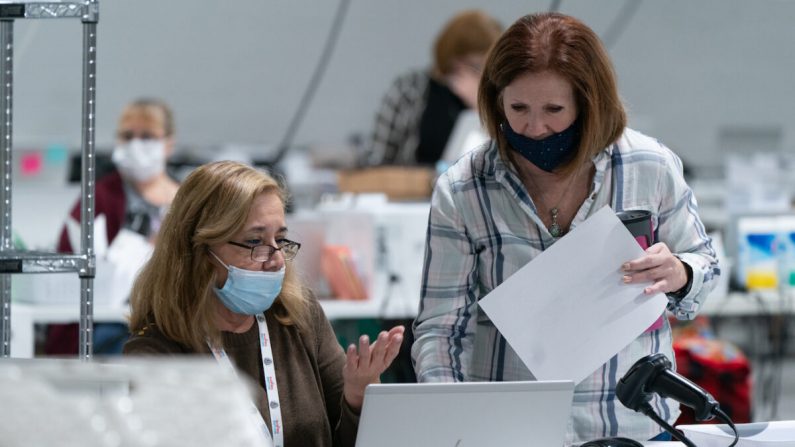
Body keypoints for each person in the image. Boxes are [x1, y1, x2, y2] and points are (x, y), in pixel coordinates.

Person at [411, 12, 720, 445]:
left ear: (588, 102)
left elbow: (705, 268)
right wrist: (453, 418)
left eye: (554, 110)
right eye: (517, 108)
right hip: (512, 432)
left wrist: (682, 273)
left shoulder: (649, 166)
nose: (535, 128)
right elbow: (441, 330)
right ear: (496, 99)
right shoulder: (465, 189)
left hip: (632, 427)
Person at [123, 160, 404, 446]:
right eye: (256, 242)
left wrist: (358, 398)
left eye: (280, 239)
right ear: (200, 250)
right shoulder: (156, 353)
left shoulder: (298, 315)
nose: (277, 259)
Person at [45, 98, 181, 355]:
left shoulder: (187, 201)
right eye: (128, 136)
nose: (136, 144)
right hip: (111, 323)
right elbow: (66, 264)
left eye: (148, 136)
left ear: (169, 143)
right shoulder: (98, 197)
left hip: (175, 319)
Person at [360, 9, 502, 167]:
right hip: (413, 188)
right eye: (476, 66)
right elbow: (373, 161)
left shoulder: (497, 95)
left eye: (490, 66)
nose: (483, 74)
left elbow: (505, 160)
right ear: (455, 61)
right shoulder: (410, 90)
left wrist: (480, 106)